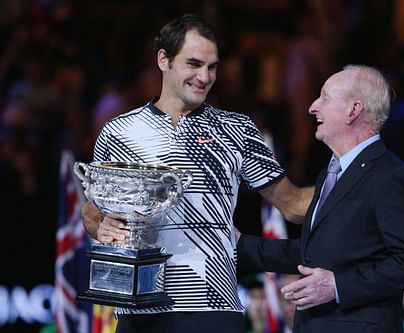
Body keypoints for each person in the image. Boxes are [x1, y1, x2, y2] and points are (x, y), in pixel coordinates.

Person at [80, 14, 314, 333]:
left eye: (212, 66)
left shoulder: (238, 130)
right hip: (140, 308)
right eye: (194, 64)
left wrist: (349, 184)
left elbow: (293, 205)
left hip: (212, 306)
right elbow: (93, 210)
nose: (204, 77)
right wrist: (102, 225)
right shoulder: (118, 132)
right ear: (164, 59)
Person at [237, 65, 404, 332]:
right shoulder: (332, 173)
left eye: (325, 98)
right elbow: (309, 253)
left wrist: (337, 286)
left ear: (354, 110)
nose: (312, 107)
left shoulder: (390, 177)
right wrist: (239, 244)